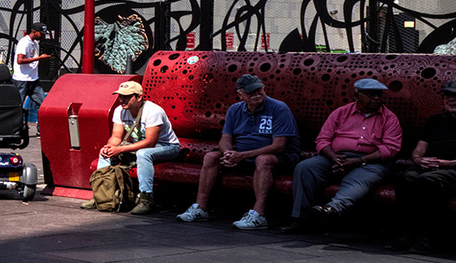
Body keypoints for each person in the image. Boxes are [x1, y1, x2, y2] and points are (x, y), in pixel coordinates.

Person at [178, 73, 299, 229]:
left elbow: (279, 146)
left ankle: (259, 214)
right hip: (242, 155)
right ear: (240, 94)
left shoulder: (279, 108)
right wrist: (228, 153)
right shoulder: (235, 110)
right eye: (251, 92)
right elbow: (225, 139)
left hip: (279, 157)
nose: (256, 94)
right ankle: (200, 207)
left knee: (263, 160)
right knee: (210, 157)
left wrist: (241, 156)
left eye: (259, 90)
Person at [283, 77, 402, 233]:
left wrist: (358, 160)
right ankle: (300, 219)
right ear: (357, 96)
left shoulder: (389, 118)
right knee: (305, 168)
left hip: (370, 161)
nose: (376, 98)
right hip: (336, 156)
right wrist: (334, 158)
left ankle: (331, 210)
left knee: (359, 179)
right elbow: (322, 140)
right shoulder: (341, 113)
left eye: (379, 95)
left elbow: (390, 148)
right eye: (371, 95)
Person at [86, 80, 181, 216]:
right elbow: (116, 138)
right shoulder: (119, 111)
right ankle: (102, 196)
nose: (122, 100)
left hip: (168, 147)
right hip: (140, 147)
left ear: (139, 97)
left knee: (143, 154)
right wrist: (109, 147)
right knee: (105, 154)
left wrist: (120, 149)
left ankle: (146, 199)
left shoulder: (153, 111)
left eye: (127, 97)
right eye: (120, 96)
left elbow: (150, 142)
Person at [386, 79, 456, 252]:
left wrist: (445, 163)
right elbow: (419, 150)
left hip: (453, 168)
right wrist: (419, 160)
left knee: (428, 180)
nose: (451, 100)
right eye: (447, 96)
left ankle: (432, 237)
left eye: (455, 96)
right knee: (404, 178)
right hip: (430, 165)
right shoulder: (435, 120)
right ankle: (408, 233)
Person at [12, 24, 49, 124]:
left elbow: (33, 60)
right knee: (17, 106)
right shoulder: (24, 42)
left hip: (33, 80)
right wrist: (39, 58)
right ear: (34, 32)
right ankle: (16, 128)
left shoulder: (35, 43)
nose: (42, 36)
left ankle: (40, 129)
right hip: (22, 80)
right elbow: (19, 60)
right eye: (41, 34)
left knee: (43, 104)